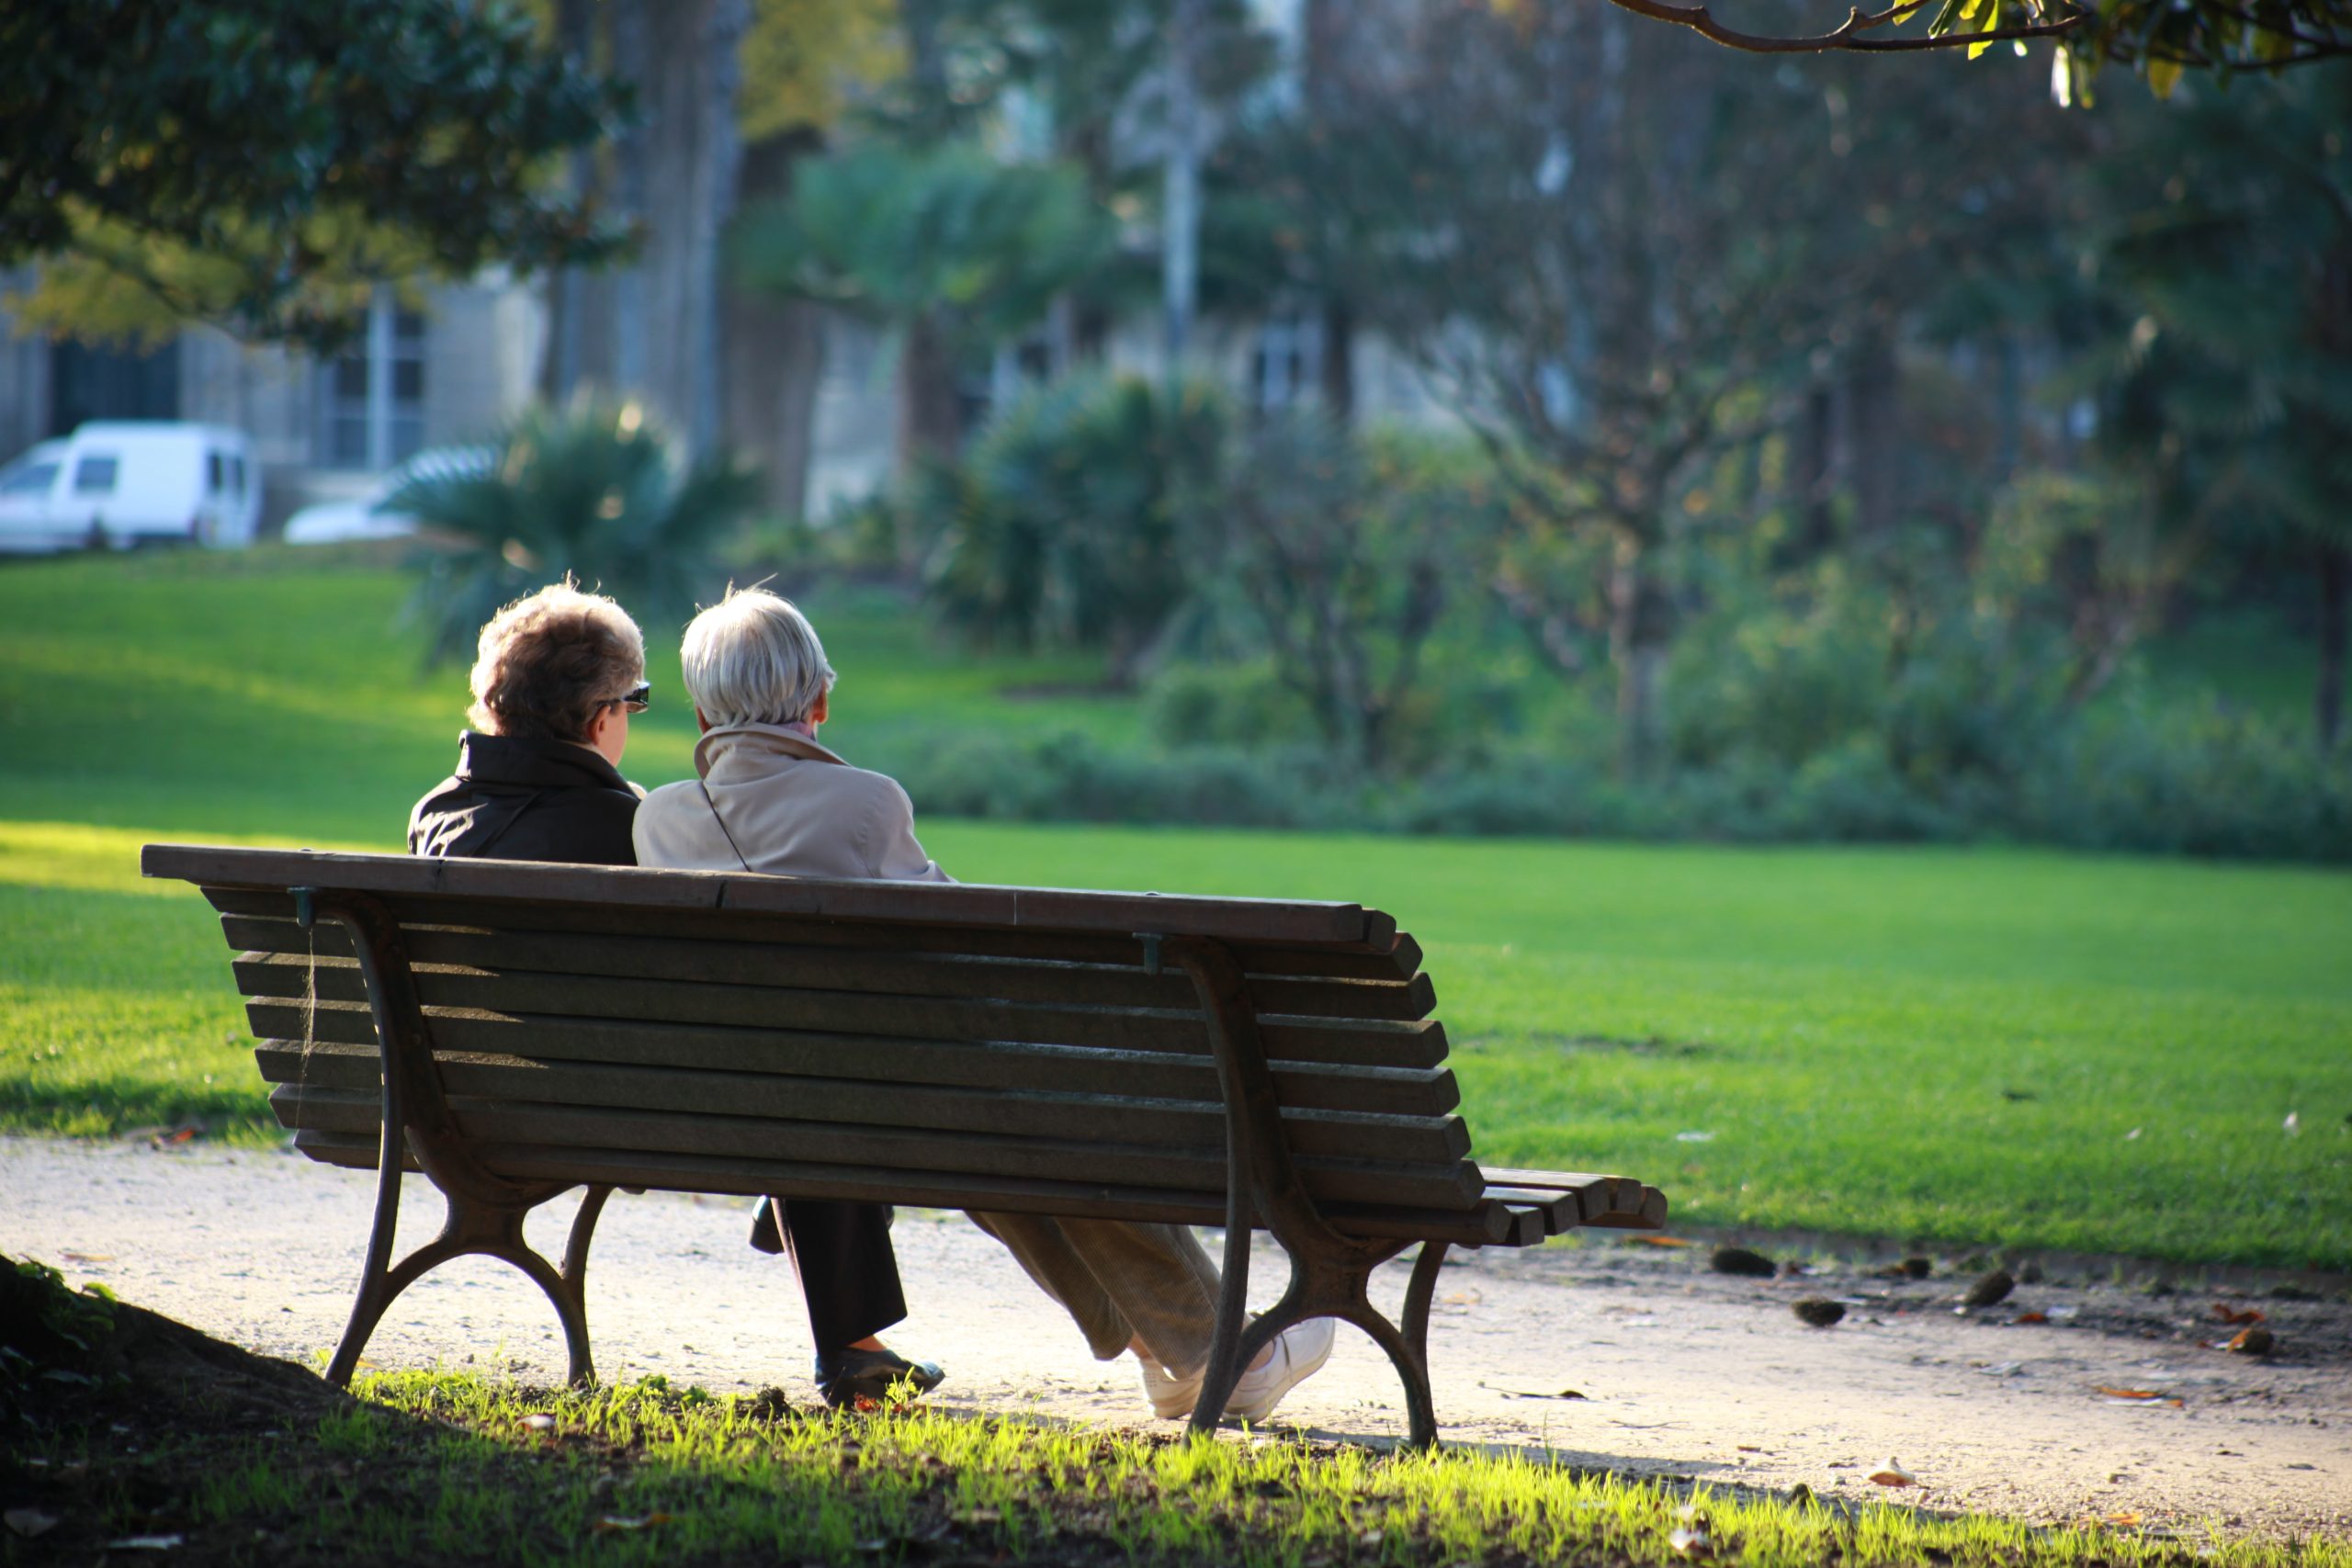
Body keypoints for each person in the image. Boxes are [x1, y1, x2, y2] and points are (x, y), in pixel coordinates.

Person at [634, 585, 1335, 1424]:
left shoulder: (658, 821)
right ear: (819, 699)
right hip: (889, 1108)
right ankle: (1222, 1350)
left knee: (1008, 1136)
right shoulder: (866, 802)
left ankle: (1178, 1352)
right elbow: (966, 948)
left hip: (741, 1108)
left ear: (704, 713)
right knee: (1036, 1123)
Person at [406, 581, 941, 1409]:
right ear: (597, 720)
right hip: (628, 1106)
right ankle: (851, 1341)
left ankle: (851, 1332)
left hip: (455, 1102)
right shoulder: (620, 827)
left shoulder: (434, 818)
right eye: (635, 700)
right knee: (805, 1067)